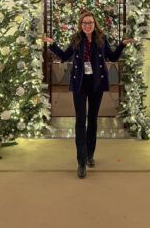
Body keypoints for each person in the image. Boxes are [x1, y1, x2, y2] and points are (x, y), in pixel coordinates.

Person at [42, 11, 136, 179]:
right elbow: (64, 57)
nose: (87, 25)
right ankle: (81, 161)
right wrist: (52, 44)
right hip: (80, 84)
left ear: (94, 24)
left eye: (90, 22)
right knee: (80, 120)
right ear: (81, 24)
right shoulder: (76, 39)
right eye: (85, 23)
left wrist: (122, 44)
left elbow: (113, 56)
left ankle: (90, 154)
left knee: (92, 119)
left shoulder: (102, 39)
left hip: (96, 84)